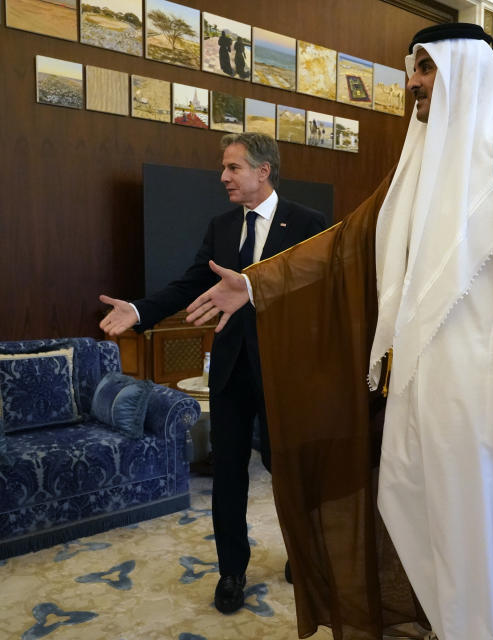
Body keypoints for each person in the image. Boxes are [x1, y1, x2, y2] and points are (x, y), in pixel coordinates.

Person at [186, 24, 493, 640]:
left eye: (427, 68)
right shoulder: (417, 164)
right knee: (413, 517)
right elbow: (345, 245)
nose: (413, 83)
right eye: (413, 68)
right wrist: (255, 284)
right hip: (413, 387)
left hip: (481, 399)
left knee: (473, 534)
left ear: (466, 70)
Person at [98, 132, 327, 615]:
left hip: (286, 371)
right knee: (227, 475)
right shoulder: (222, 227)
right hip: (229, 372)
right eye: (224, 169)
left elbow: (318, 295)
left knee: (290, 472)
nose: (223, 177)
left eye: (233, 168)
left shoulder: (309, 224)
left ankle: (303, 555)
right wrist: (140, 310)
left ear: (263, 171)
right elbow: (191, 283)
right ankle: (232, 571)